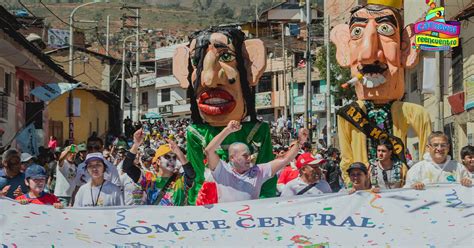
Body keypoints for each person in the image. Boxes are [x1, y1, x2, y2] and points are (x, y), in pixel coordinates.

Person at [331, 0, 432, 186]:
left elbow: (430, 160)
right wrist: (351, 185)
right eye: (357, 32)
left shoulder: (416, 114)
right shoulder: (348, 115)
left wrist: (421, 182)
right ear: (344, 49)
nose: (367, 54)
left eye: (385, 29)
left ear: (407, 48)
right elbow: (346, 158)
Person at [173, 26, 275, 204]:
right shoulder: (195, 133)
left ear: (251, 67)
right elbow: (198, 182)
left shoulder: (259, 131)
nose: (209, 80)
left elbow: (268, 180)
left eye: (226, 57)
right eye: (197, 61)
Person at [205, 120, 308, 203]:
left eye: (249, 155)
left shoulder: (258, 171)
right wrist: (227, 130)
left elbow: (285, 159)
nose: (249, 158)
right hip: (227, 222)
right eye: (245, 156)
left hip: (250, 222)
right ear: (232, 158)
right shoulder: (222, 170)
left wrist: (300, 142)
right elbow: (209, 150)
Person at [123, 129, 195, 206]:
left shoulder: (181, 180)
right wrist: (136, 145)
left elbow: (191, 175)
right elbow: (127, 167)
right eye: (167, 157)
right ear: (158, 161)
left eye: (174, 157)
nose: (171, 160)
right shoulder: (149, 180)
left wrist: (179, 153)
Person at [405, 132, 472, 189]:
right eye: (435, 145)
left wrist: (467, 182)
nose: (439, 149)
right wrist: (413, 187)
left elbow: (470, 188)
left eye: (443, 145)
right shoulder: (417, 169)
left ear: (448, 148)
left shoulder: (458, 167)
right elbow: (406, 193)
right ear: (428, 148)